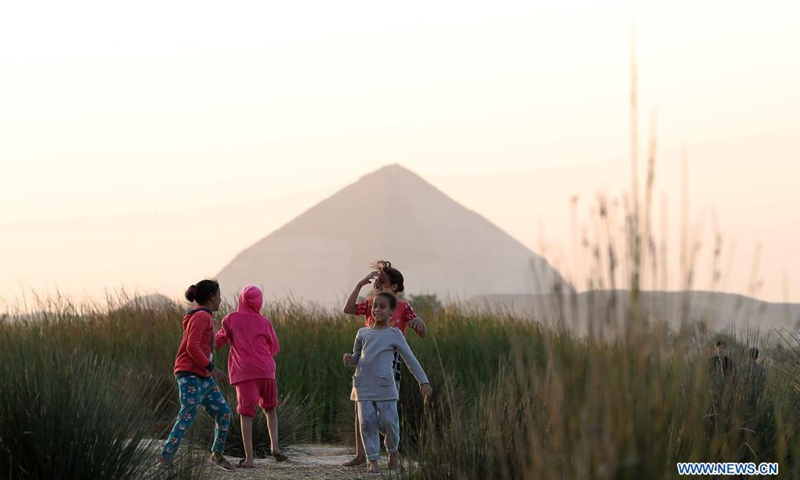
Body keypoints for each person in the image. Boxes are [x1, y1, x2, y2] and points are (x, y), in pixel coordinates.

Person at [341, 260, 427, 466]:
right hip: (367, 359)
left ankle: (391, 449)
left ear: (395, 286)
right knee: (362, 410)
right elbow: (348, 308)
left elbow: (420, 332)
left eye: (382, 282)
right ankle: (363, 454)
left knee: (387, 410)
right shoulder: (371, 305)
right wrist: (360, 285)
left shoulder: (403, 308)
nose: (377, 285)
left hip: (391, 360)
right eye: (375, 282)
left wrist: (420, 324)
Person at [159, 280, 235, 471]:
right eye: (219, 295)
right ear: (211, 297)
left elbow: (205, 345)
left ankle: (217, 455)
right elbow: (192, 346)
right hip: (190, 374)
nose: (220, 299)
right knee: (188, 414)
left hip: (202, 375)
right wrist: (212, 368)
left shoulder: (205, 317)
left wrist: (216, 332)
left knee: (224, 412)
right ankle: (165, 458)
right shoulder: (201, 316)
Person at [215, 285, 288, 468]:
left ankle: (249, 458)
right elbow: (275, 347)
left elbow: (217, 343)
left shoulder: (231, 319)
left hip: (245, 372)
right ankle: (275, 447)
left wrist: (209, 331)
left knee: (246, 413)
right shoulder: (265, 322)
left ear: (241, 299)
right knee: (270, 409)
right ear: (259, 302)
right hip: (267, 370)